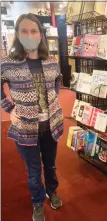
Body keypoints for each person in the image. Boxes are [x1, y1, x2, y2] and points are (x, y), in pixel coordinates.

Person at [1, 13, 63, 221]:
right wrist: (9, 108)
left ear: (40, 34)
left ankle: (51, 191)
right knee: (34, 170)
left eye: (34, 31)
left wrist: (53, 102)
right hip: (26, 129)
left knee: (51, 165)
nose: (29, 35)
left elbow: (57, 81)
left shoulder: (51, 61)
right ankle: (37, 202)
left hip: (50, 125)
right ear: (18, 35)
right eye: (24, 31)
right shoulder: (8, 63)